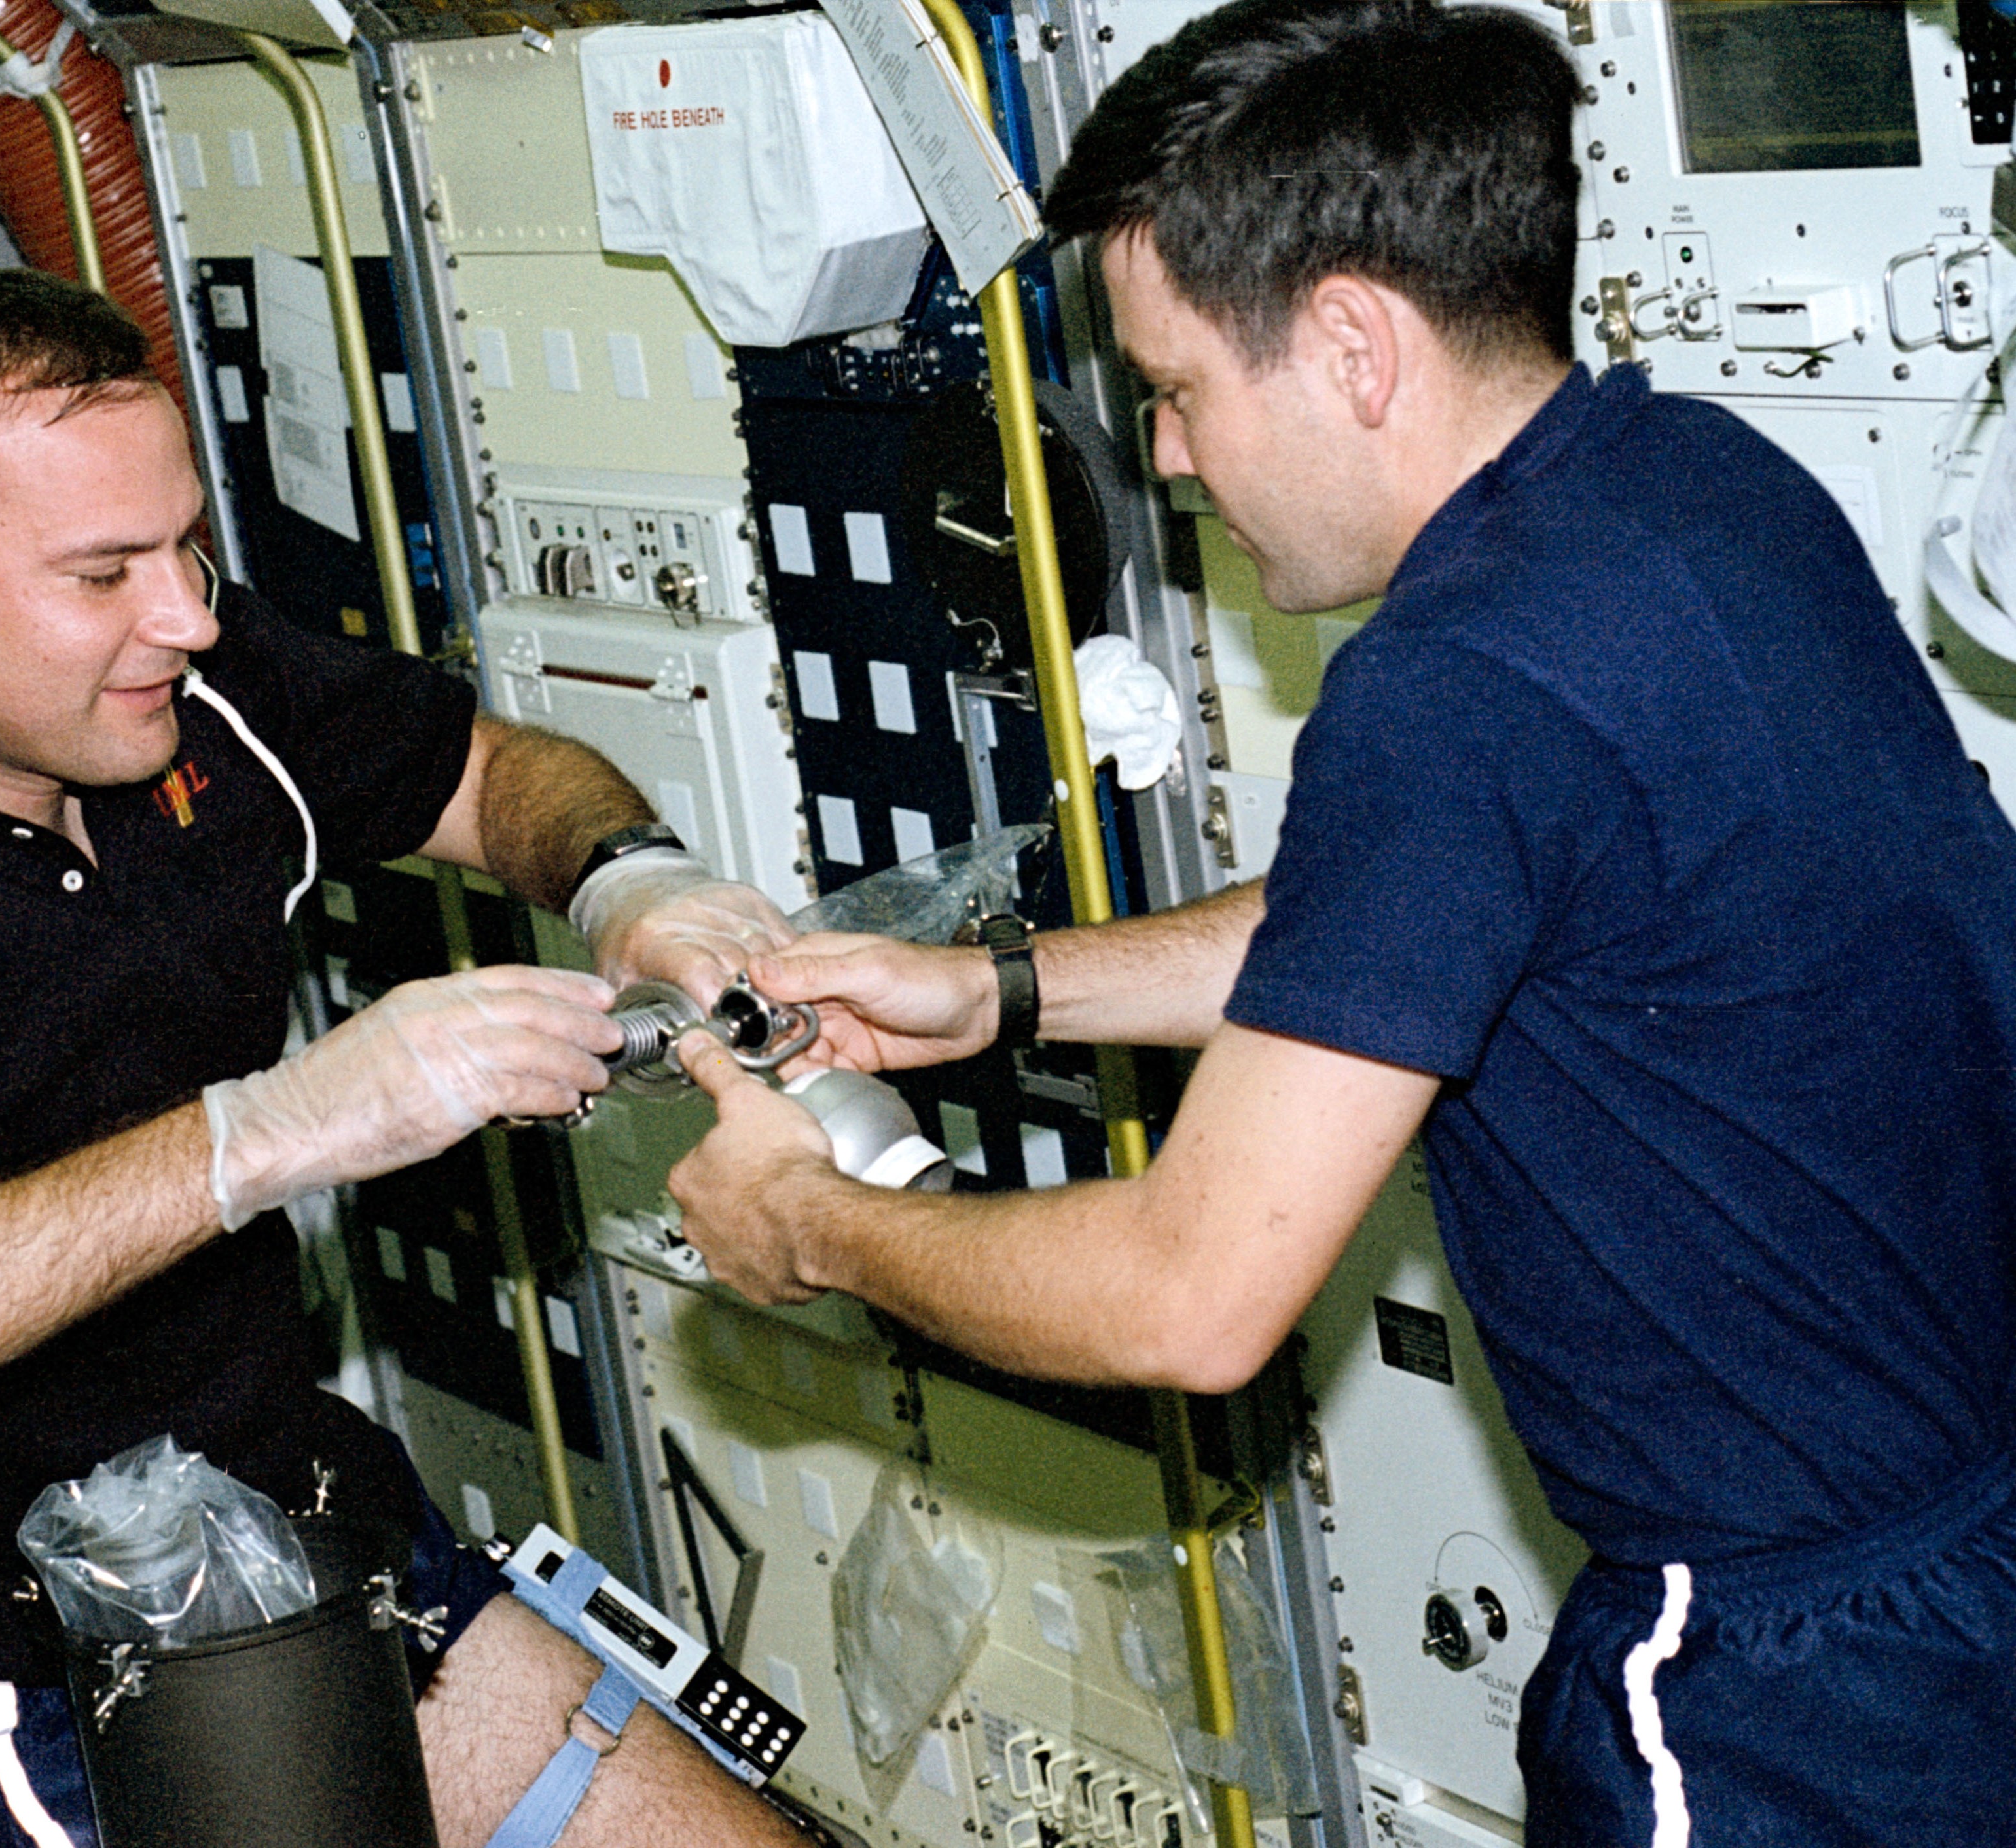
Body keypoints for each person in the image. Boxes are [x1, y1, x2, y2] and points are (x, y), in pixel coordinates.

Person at [666, 3, 2016, 1841]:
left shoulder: (1452, 681)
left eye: (1174, 384)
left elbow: (1189, 1298)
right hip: (1959, 1558)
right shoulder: (1694, 493)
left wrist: (810, 1219)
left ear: (1354, 344)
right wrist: (990, 991)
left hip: (1782, 1676)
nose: (1161, 456)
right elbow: (1399, 940)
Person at [0, 257, 808, 1848]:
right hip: (23, 1662)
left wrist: (629, 877)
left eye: (187, 547)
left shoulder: (200, 692)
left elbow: (488, 772)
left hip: (311, 1526)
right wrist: (260, 1134)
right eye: (104, 573)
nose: (187, 614)